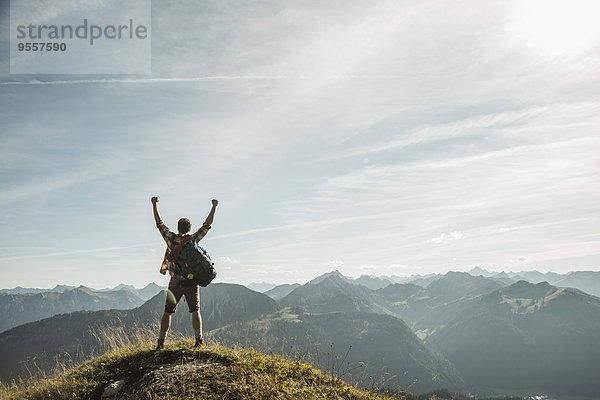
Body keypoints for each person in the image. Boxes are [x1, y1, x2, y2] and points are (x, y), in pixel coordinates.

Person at [151, 196, 218, 351]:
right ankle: (199, 340)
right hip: (191, 281)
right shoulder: (192, 240)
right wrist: (214, 207)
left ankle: (161, 342)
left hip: (175, 281)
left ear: (178, 227)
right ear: (189, 228)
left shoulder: (170, 238)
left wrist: (154, 204)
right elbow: (207, 225)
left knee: (168, 312)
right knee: (195, 310)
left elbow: (159, 223)